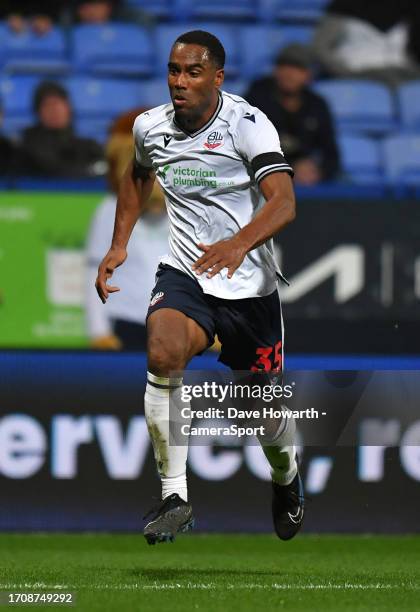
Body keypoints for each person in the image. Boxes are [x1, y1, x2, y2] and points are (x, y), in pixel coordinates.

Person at [95, 30, 304, 544]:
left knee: (262, 414)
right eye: (173, 71)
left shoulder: (248, 125)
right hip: (186, 272)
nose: (179, 82)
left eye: (192, 72)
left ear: (217, 77)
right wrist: (118, 245)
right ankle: (174, 497)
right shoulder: (150, 127)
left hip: (249, 287)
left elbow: (283, 202)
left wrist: (238, 244)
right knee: (163, 351)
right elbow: (137, 177)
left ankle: (287, 480)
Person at [86, 110, 169, 350]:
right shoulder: (109, 210)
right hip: (127, 320)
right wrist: (98, 331)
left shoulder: (184, 205)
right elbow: (95, 270)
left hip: (175, 320)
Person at [244, 44, 340, 185]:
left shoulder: (317, 105)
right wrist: (289, 168)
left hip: (305, 181)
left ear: (308, 75)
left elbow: (331, 154)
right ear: (275, 71)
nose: (289, 74)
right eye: (283, 66)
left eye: (298, 68)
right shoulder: (258, 95)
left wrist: (318, 171)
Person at [313, 0, 420, 86]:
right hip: (356, 76)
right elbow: (320, 48)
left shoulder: (411, 7)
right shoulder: (341, 6)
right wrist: (344, 73)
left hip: (403, 75)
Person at [19, 81, 105, 178]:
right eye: (48, 105)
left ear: (69, 108)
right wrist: (90, 170)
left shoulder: (88, 147)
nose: (55, 110)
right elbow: (52, 169)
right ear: (38, 112)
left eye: (59, 103)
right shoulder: (29, 147)